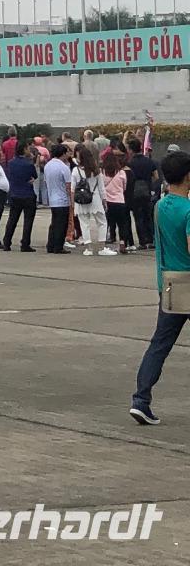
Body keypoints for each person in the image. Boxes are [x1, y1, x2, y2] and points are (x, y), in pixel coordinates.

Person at [131, 149, 190, 425]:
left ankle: (141, 399)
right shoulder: (188, 211)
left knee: (159, 344)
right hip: (188, 282)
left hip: (167, 284)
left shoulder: (161, 206)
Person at [73, 145, 112, 256]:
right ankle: (102, 247)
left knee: (84, 224)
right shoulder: (96, 170)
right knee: (102, 222)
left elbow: (72, 188)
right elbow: (101, 188)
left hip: (81, 200)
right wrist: (104, 201)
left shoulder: (76, 171)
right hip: (95, 198)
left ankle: (88, 248)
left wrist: (72, 203)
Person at [1, 142, 39, 252]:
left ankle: (7, 242)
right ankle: (25, 243)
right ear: (24, 150)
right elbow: (34, 176)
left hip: (15, 193)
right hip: (27, 194)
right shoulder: (28, 164)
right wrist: (32, 159)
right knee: (28, 221)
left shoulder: (11, 163)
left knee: (12, 219)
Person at [43, 142, 74, 254]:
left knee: (54, 223)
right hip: (62, 199)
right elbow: (68, 185)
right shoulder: (63, 167)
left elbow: (46, 182)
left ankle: (50, 245)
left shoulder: (48, 165)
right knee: (62, 224)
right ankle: (58, 246)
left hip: (52, 198)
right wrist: (71, 200)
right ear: (63, 154)